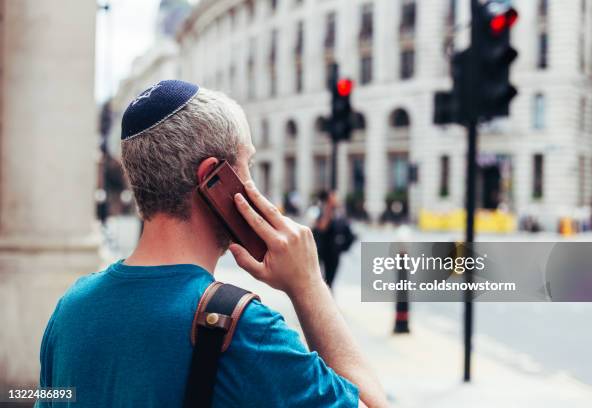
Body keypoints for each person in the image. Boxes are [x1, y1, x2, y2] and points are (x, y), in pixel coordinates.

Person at [36, 80, 386, 408]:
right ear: (212, 179)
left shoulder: (70, 309)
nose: (253, 184)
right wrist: (308, 284)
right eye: (246, 165)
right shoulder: (243, 330)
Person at [313, 190, 356, 289]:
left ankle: (327, 298)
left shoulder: (339, 212)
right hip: (323, 251)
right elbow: (321, 228)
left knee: (330, 280)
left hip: (335, 252)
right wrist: (329, 209)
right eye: (333, 197)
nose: (336, 199)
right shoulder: (321, 210)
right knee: (322, 281)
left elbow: (345, 229)